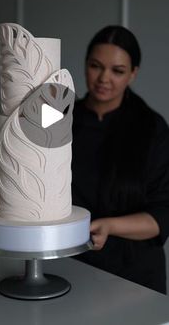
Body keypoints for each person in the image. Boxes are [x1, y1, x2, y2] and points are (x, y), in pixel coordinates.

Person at [71, 25, 169, 294]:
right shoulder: (60, 121)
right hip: (68, 267)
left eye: (117, 71)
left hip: (134, 278)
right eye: (95, 66)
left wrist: (110, 226)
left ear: (133, 74)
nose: (103, 78)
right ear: (85, 65)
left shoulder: (152, 128)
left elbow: (163, 213)